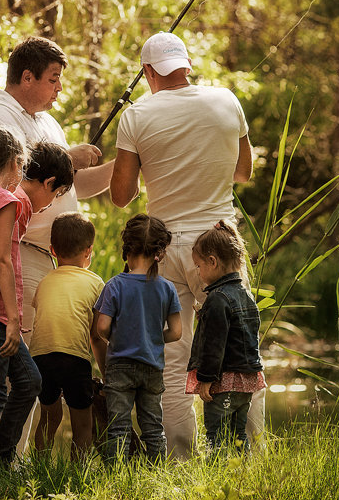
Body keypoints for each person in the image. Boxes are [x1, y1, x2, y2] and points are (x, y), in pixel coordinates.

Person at [109, 30, 255, 458]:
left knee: (173, 360)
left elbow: (121, 196)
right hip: (220, 245)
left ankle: (181, 457)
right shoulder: (226, 99)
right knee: (238, 354)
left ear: (148, 72)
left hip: (165, 248)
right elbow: (243, 172)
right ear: (186, 66)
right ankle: (244, 456)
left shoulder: (136, 115)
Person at [0, 36, 114, 451]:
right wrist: (68, 158)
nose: (59, 89)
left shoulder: (48, 123)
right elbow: (11, 177)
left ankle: (16, 460)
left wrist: (120, 165)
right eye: (53, 79)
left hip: (46, 258)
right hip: (16, 249)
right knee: (17, 364)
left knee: (34, 365)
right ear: (26, 76)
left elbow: (69, 186)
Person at [0, 132, 74, 465]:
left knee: (29, 380)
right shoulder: (8, 201)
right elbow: (3, 259)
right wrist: (13, 317)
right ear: (12, 164)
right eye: (21, 163)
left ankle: (1, 461)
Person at [92, 214, 182, 461]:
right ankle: (158, 475)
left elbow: (101, 327)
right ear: (159, 253)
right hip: (152, 367)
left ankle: (116, 476)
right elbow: (176, 332)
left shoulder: (114, 285)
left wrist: (121, 336)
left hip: (120, 367)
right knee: (153, 429)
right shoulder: (167, 288)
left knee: (118, 428)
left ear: (127, 249)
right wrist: (151, 336)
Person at [28, 212, 107, 459]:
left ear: (52, 250)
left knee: (49, 418)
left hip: (40, 357)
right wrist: (107, 374)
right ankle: (76, 475)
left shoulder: (44, 282)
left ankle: (39, 466)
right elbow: (96, 337)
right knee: (82, 423)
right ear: (89, 251)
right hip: (74, 358)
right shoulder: (96, 283)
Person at [186, 221, 266, 452]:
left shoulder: (217, 298)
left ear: (212, 262)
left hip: (224, 382)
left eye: (198, 266)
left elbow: (214, 344)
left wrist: (207, 378)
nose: (198, 273)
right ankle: (242, 474)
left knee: (216, 435)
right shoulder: (246, 295)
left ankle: (217, 475)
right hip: (247, 381)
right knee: (239, 434)